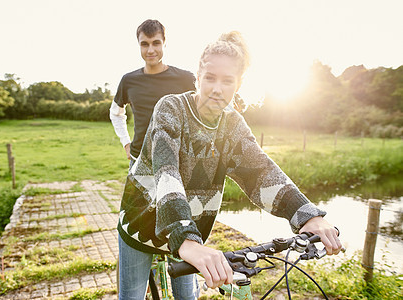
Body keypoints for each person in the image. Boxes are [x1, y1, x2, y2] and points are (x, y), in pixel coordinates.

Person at [117, 31, 343, 299]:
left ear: (239, 84)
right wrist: (185, 238)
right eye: (210, 78)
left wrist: (307, 215)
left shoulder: (233, 124)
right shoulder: (171, 108)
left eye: (227, 81)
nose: (216, 88)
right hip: (142, 223)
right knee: (131, 295)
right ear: (198, 76)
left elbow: (260, 172)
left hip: (190, 235)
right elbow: (167, 171)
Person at [110, 19, 196, 163]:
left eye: (156, 43)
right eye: (144, 44)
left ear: (164, 43)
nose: (150, 50)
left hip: (176, 162)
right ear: (139, 45)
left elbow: (205, 110)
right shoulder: (128, 80)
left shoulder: (185, 78)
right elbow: (115, 113)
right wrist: (126, 143)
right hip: (139, 160)